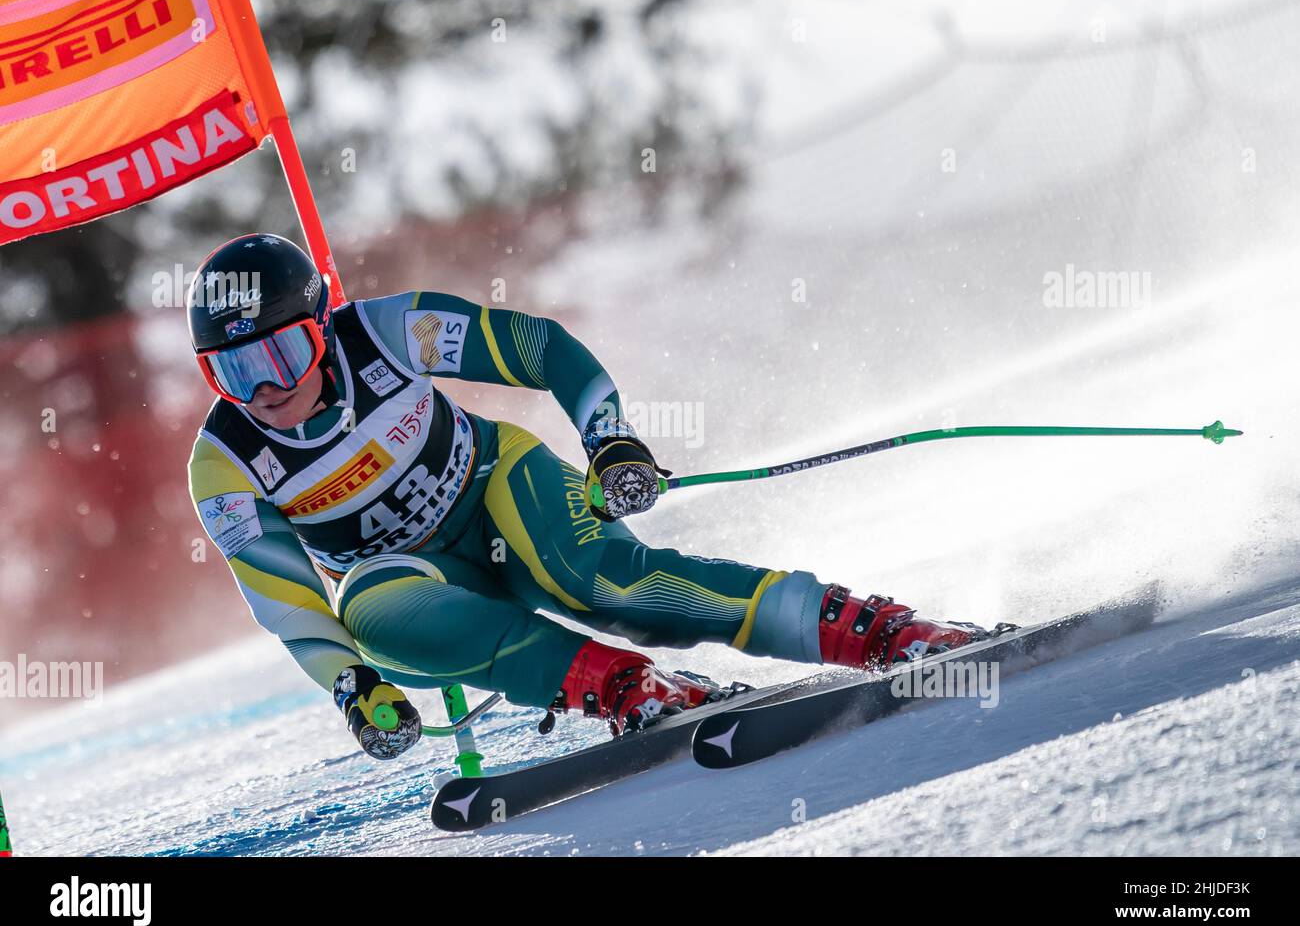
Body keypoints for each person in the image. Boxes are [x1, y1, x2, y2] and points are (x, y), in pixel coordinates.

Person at [187, 233, 982, 760]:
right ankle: (621, 686)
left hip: (497, 488)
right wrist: (353, 688)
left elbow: (540, 349)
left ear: (321, 325)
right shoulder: (224, 463)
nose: (265, 389)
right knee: (368, 615)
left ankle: (872, 629)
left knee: (598, 581)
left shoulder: (388, 331)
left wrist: (610, 439)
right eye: (231, 372)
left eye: (283, 353)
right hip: (415, 578)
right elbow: (288, 601)